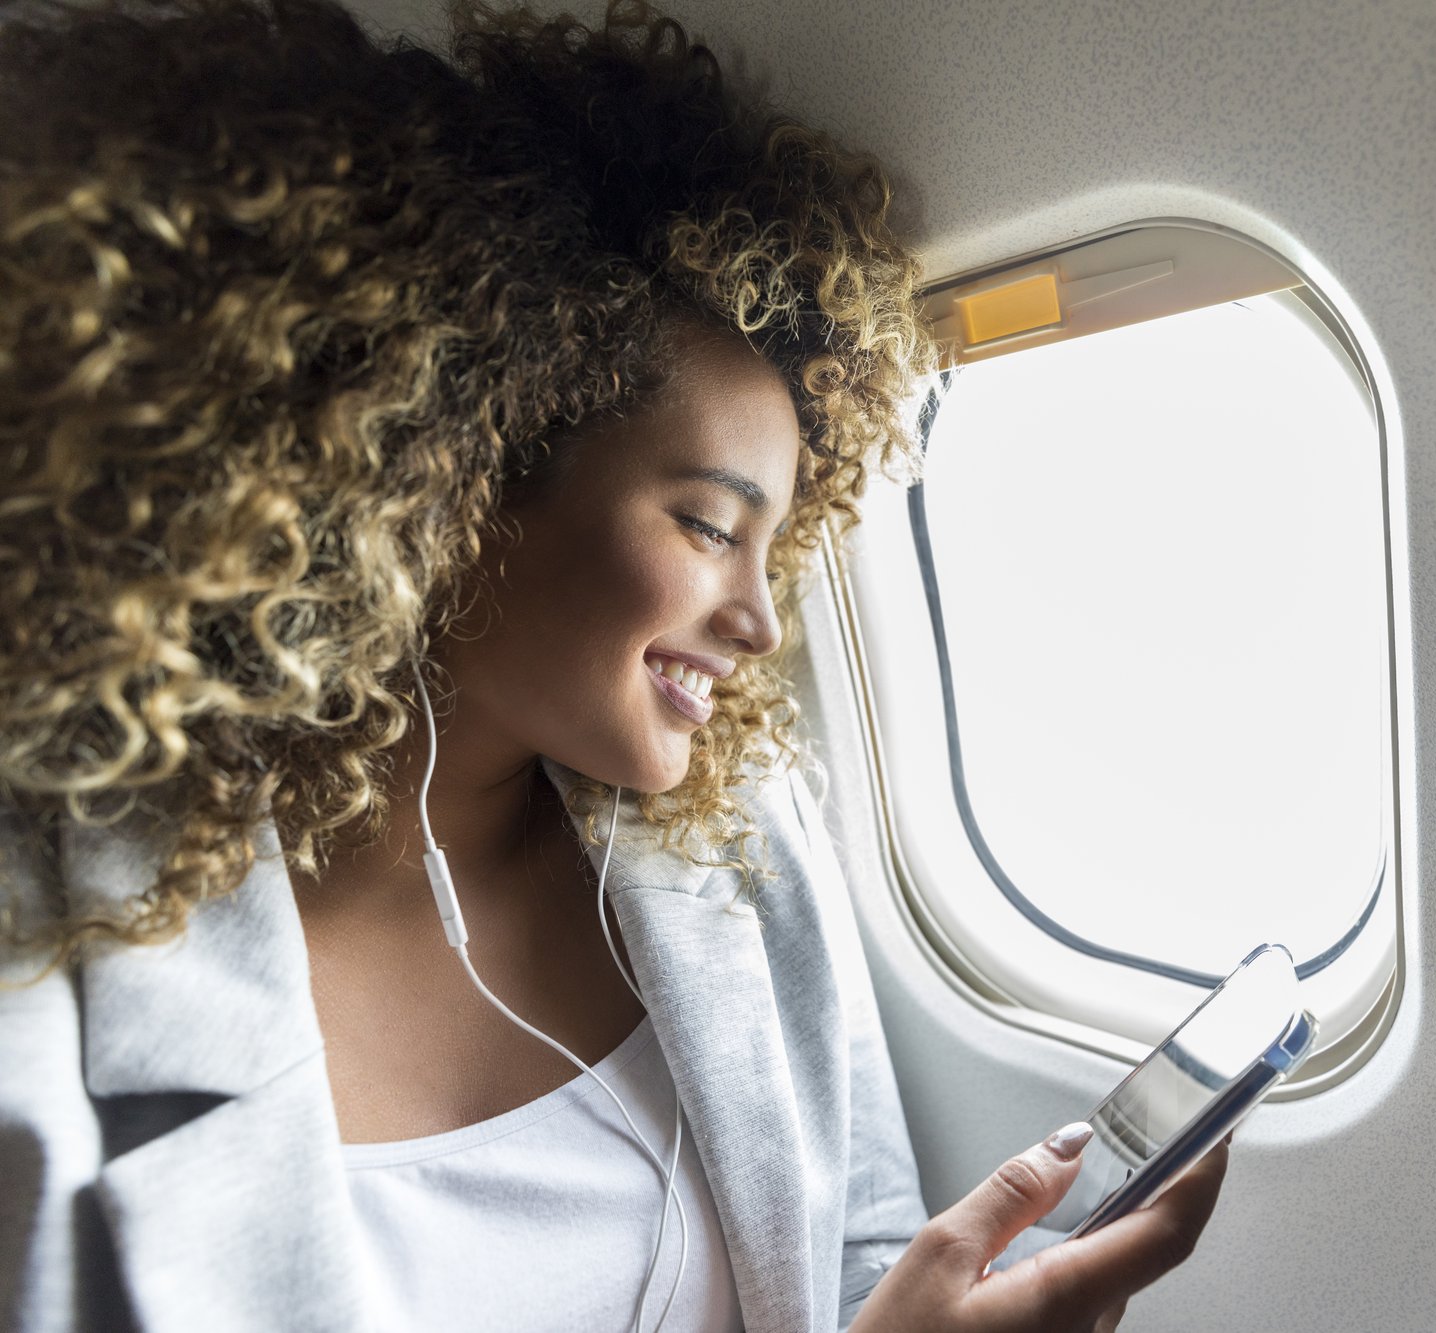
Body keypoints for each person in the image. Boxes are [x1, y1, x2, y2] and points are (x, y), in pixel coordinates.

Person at [0, 0, 1230, 1329]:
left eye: (775, 544)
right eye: (706, 524)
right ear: (449, 487)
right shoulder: (59, 935)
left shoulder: (743, 855)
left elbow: (853, 1262)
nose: (759, 623)